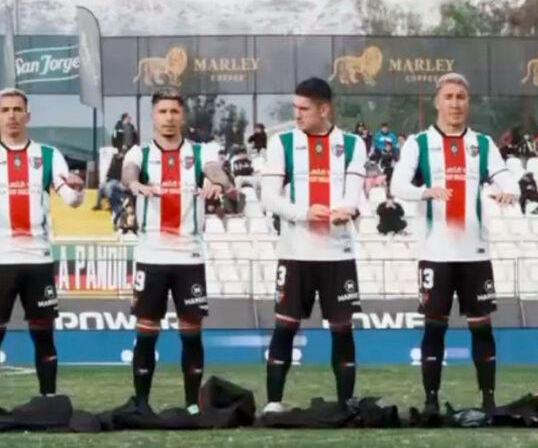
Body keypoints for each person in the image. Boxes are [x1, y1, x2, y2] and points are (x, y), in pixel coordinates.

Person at [391, 72, 518, 414]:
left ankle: (489, 401)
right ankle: (431, 401)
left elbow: (505, 176)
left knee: (482, 328)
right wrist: (425, 191)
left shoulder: (483, 143)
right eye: (448, 97)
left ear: (468, 102)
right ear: (437, 102)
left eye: (461, 97)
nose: (455, 104)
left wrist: (510, 190)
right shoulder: (418, 144)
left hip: (475, 253)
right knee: (435, 327)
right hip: (436, 254)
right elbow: (397, 184)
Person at [0, 87, 84, 406]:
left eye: (16, 109)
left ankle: (49, 399)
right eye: (5, 110)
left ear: (28, 115)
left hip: (38, 259)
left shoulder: (48, 155)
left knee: (44, 334)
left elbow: (72, 200)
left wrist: (78, 189)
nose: (11, 115)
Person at [119, 88, 232, 414]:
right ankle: (141, 404)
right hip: (151, 255)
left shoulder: (200, 152)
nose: (168, 118)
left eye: (174, 112)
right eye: (162, 112)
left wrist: (219, 184)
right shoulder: (138, 154)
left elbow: (215, 171)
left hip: (189, 257)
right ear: (153, 117)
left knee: (191, 334)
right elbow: (128, 175)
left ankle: (191, 405)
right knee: (146, 334)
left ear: (182, 116)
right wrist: (134, 184)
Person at [260, 78, 367, 413]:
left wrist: (348, 209)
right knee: (285, 326)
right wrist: (305, 214)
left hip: (338, 254)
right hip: (295, 254)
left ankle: (346, 402)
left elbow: (354, 194)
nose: (297, 115)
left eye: (304, 109)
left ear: (324, 109)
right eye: (295, 108)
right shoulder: (282, 144)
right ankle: (274, 403)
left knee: (342, 330)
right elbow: (269, 198)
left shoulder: (352, 145)